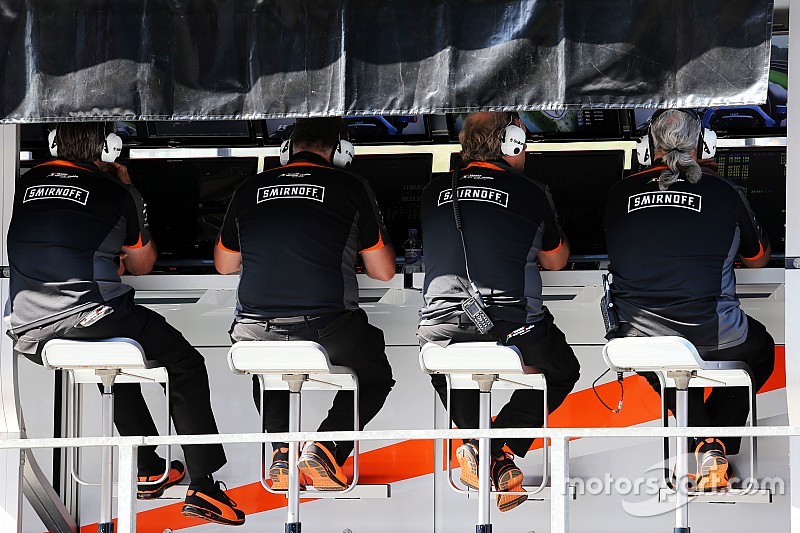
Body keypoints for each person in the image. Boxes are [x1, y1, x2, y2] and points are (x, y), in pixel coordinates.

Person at [6, 123, 245, 526]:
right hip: (90, 313)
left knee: (115, 361)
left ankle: (149, 467)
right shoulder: (115, 193)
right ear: (111, 149)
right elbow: (142, 263)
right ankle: (203, 484)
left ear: (52, 144)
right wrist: (129, 190)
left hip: (29, 327)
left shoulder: (25, 182)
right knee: (184, 362)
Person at [215, 117, 396, 491]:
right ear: (341, 152)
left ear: (287, 150)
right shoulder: (351, 186)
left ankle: (281, 450)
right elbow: (383, 272)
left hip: (251, 334)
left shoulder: (250, 187)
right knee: (375, 373)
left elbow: (224, 265)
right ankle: (326, 448)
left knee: (269, 366)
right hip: (323, 329)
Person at [604, 109, 775, 490]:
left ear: (650, 147)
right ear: (704, 147)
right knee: (760, 352)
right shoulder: (725, 192)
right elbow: (758, 257)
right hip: (712, 335)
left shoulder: (618, 193)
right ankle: (712, 444)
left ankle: (704, 440)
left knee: (663, 366)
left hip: (637, 342)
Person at [417, 112, 581, 512]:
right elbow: (557, 261)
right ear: (511, 143)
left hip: (436, 331)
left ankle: (479, 445)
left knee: (441, 365)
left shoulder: (433, 190)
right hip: (509, 328)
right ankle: (497, 448)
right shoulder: (530, 191)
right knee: (563, 370)